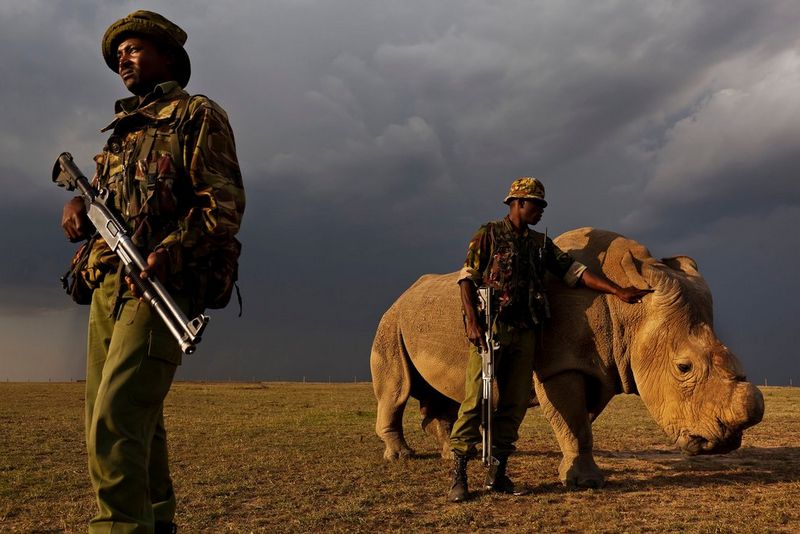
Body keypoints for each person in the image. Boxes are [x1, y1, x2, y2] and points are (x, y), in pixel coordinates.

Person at [60, 11, 245, 532]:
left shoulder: (195, 114)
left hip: (163, 282)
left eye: (135, 48)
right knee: (127, 415)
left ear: (168, 57)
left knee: (116, 417)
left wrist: (169, 251)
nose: (124, 57)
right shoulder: (121, 134)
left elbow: (223, 206)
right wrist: (78, 204)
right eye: (119, 53)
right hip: (107, 284)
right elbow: (107, 202)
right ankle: (157, 522)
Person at [447, 177, 650, 502]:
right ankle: (459, 476)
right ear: (517, 203)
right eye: (536, 205)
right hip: (492, 329)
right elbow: (467, 279)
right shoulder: (489, 235)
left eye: (542, 206)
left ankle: (497, 476)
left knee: (513, 407)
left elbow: (575, 271)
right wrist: (472, 322)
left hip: (527, 333)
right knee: (476, 401)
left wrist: (618, 290)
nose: (541, 211)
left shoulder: (540, 245)